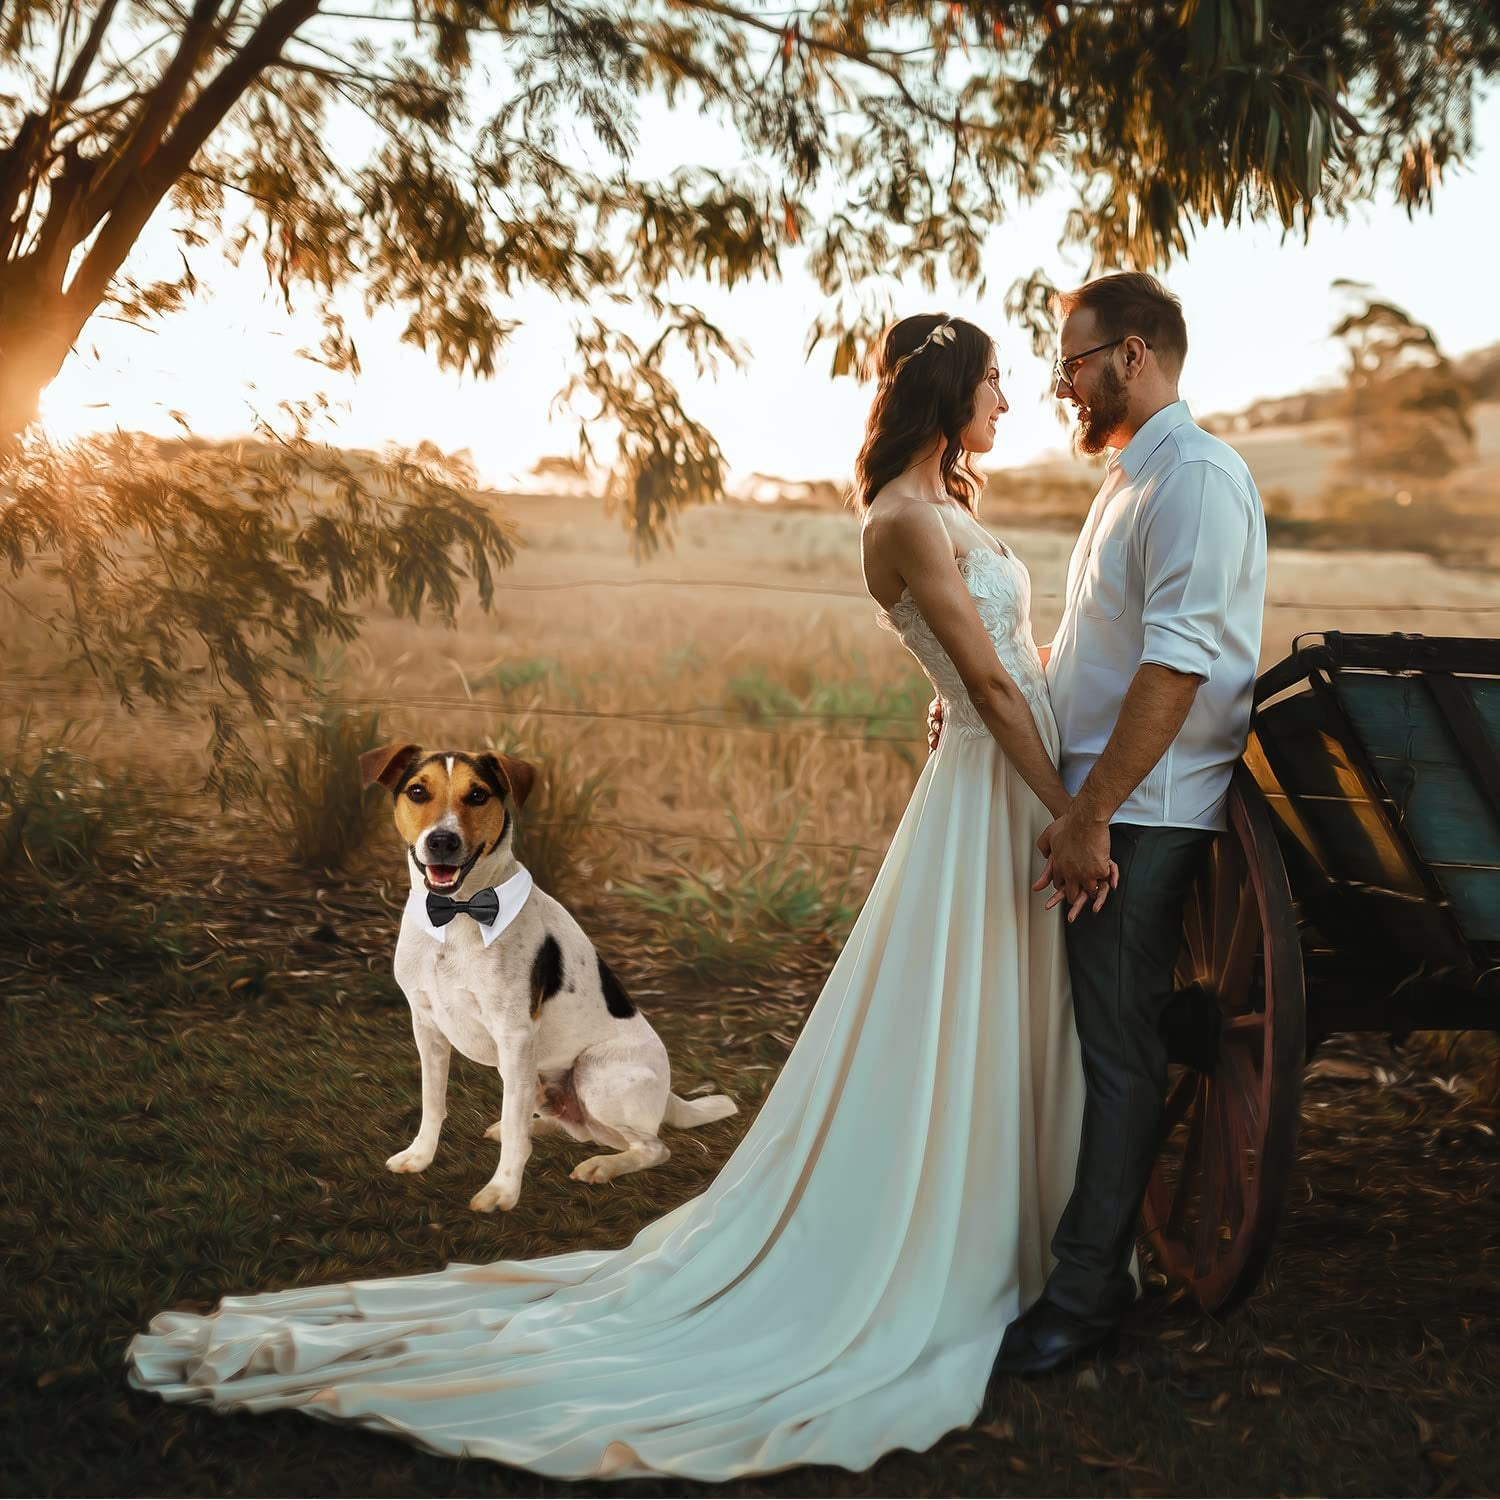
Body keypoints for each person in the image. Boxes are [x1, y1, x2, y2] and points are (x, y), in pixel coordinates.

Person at [125, 312, 1098, 1480]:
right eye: (996, 383)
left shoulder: (947, 506)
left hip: (999, 767)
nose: (1012, 401)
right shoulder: (898, 517)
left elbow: (990, 663)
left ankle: (1024, 1226)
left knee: (1003, 1001)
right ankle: (949, 1238)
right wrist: (1068, 808)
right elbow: (983, 673)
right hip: (1001, 787)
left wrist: (991, 718)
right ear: (948, 395)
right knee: (963, 998)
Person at [984, 271, 1268, 1375]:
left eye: (1074, 364)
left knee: (1119, 1054)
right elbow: (1104, 651)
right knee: (1107, 1046)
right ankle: (1092, 1265)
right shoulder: (1134, 480)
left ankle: (1085, 1299)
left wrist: (1091, 815)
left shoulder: (1194, 479)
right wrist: (996, 694)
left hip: (1143, 815)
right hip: (1116, 802)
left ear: (1134, 355)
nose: (1063, 386)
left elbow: (1179, 665)